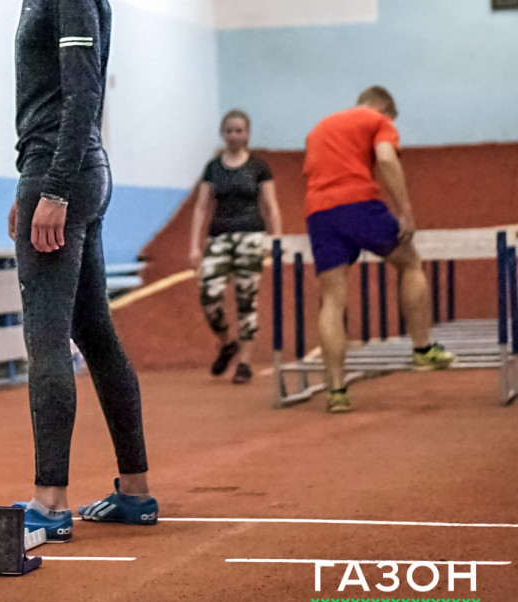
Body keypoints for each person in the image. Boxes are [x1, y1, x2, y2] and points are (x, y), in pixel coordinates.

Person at [0, 0, 157, 543]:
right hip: (60, 167)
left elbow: (84, 95)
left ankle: (50, 501)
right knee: (94, 332)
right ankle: (136, 491)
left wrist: (52, 188)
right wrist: (28, 182)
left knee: (46, 340)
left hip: (68, 170)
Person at [303, 86, 456, 413]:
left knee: (332, 299)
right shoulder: (376, 120)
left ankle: (337, 391)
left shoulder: (319, 128)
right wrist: (405, 210)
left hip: (318, 212)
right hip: (358, 203)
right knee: (411, 262)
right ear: (384, 107)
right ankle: (422, 350)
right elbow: (386, 158)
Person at [188, 110, 282, 384]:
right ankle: (227, 342)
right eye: (229, 130)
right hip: (218, 237)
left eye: (239, 130)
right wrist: (194, 246)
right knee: (209, 294)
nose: (234, 135)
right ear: (223, 133)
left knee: (246, 299)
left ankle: (244, 363)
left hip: (251, 235)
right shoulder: (213, 167)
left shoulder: (259, 167)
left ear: (247, 134)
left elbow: (272, 206)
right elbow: (201, 206)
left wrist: (276, 238)